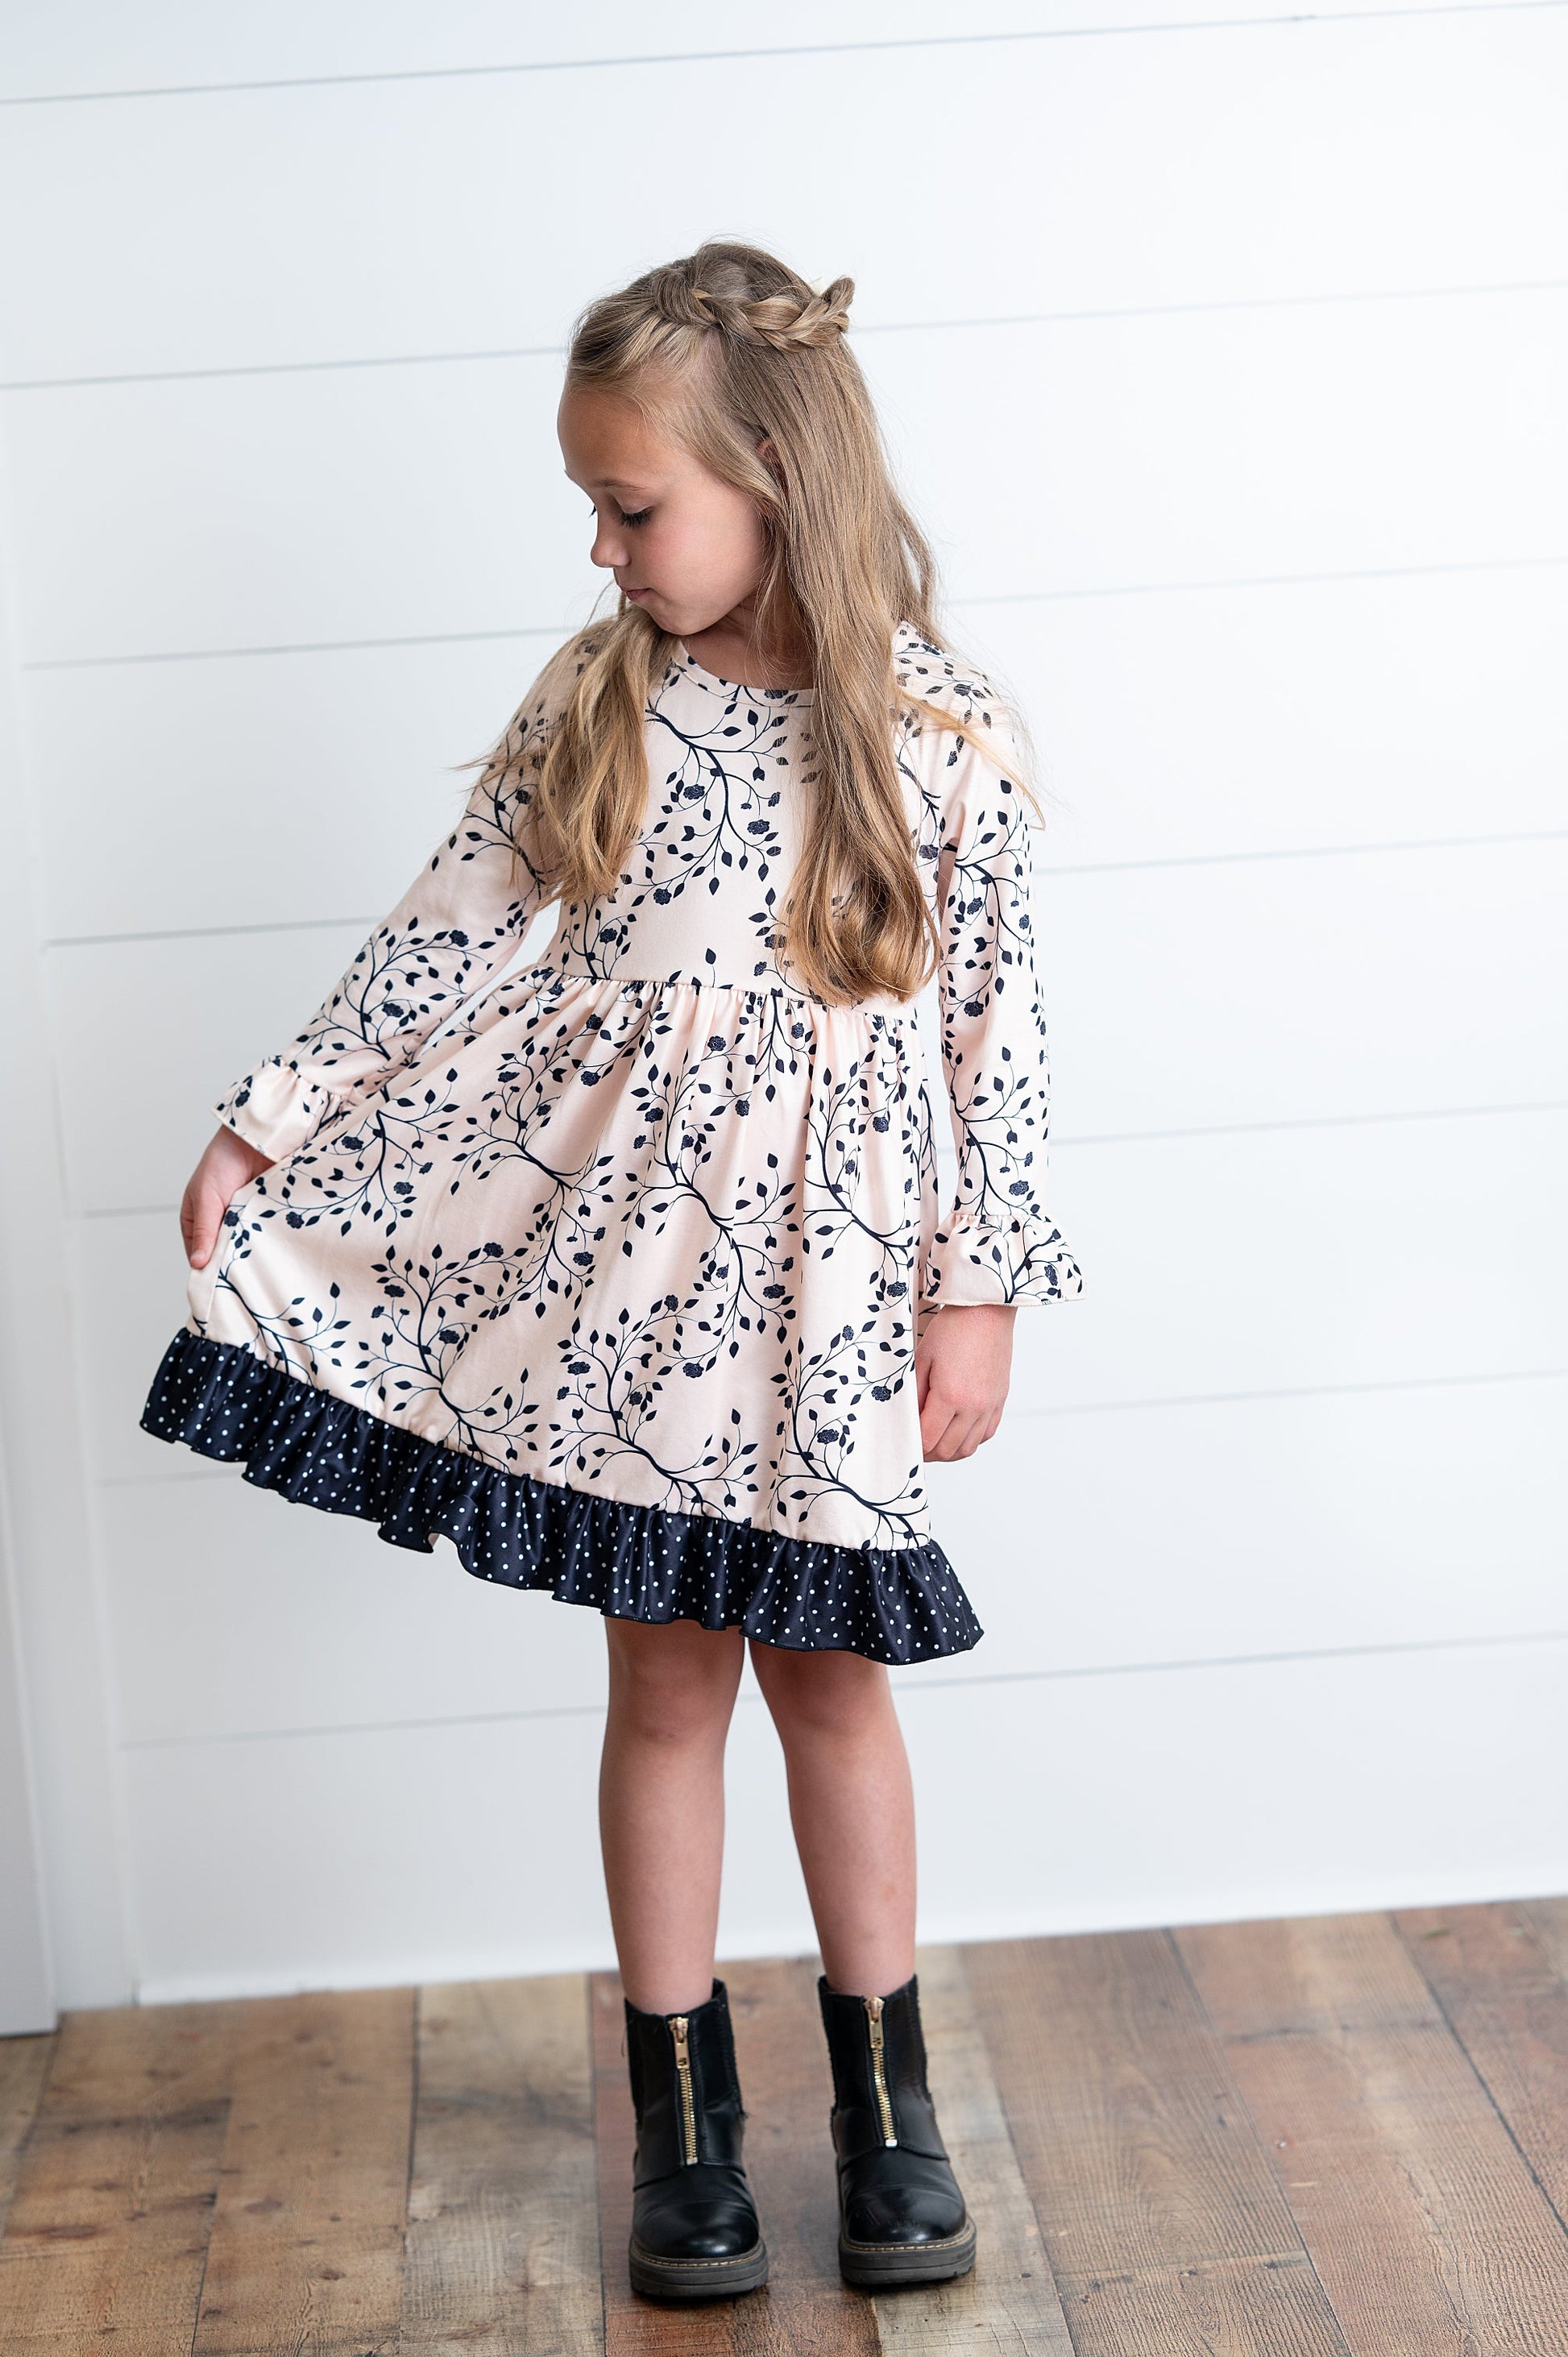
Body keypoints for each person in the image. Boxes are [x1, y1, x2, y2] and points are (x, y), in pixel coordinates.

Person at [143, 242, 1081, 2303]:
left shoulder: (941, 735)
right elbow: (443, 929)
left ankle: (891, 2111)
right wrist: (269, 1118)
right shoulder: (603, 703)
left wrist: (977, 1288)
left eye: (631, 505)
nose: (601, 546)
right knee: (662, 1684)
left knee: (831, 1684)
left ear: (773, 475)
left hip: (832, 1308)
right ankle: (683, 2127)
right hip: (634, 1299)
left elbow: (992, 1043)